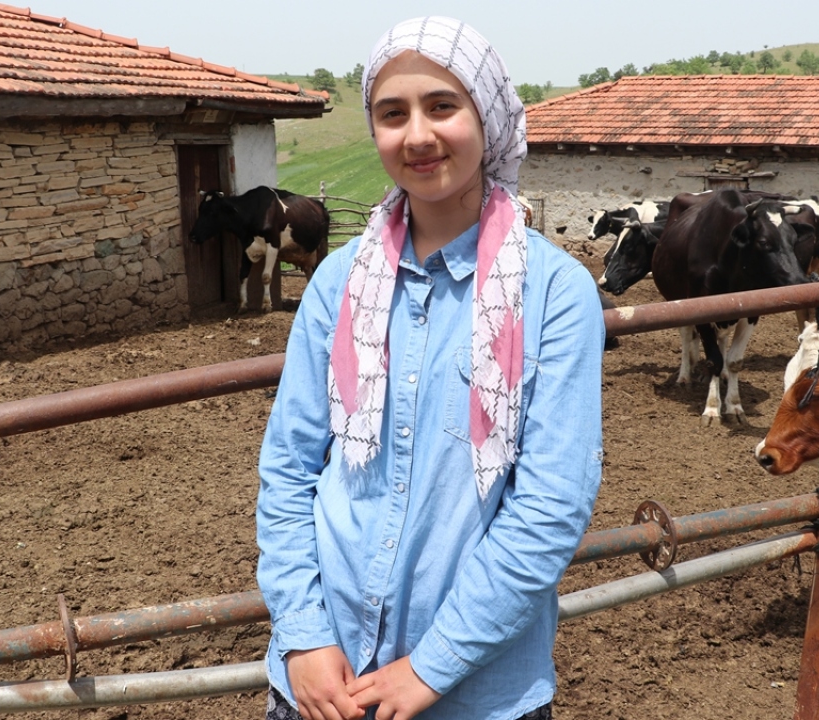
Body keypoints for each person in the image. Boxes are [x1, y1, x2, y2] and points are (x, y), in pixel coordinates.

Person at [256, 16, 605, 720]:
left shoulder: (554, 294)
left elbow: (548, 508)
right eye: (392, 114)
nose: (417, 135)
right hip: (324, 686)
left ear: (490, 117)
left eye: (442, 106)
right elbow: (289, 472)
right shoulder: (335, 286)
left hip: (473, 696)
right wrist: (303, 636)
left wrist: (432, 667)